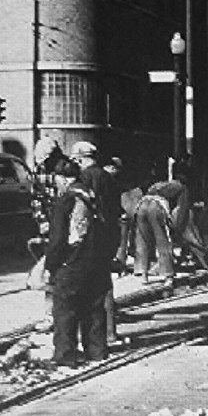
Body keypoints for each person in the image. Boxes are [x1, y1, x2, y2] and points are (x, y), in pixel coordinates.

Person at [44, 158, 111, 367]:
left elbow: (57, 239)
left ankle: (65, 355)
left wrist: (50, 266)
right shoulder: (92, 197)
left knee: (65, 309)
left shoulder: (66, 200)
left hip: (72, 262)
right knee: (93, 307)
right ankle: (97, 351)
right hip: (96, 261)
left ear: (62, 178)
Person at [71, 141, 122, 344]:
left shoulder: (86, 177)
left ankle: (101, 336)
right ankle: (110, 332)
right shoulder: (106, 177)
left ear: (81, 159)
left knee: (94, 287)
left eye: (76, 160)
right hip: (108, 235)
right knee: (104, 284)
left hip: (94, 238)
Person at [133, 161, 191, 287]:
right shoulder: (180, 186)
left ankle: (143, 274)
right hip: (156, 207)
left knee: (143, 240)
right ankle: (168, 275)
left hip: (141, 206)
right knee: (162, 240)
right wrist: (177, 225)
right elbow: (181, 209)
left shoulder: (155, 185)